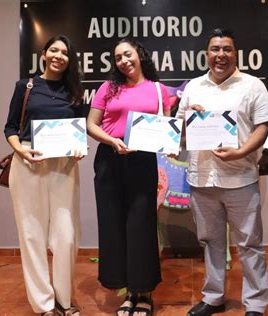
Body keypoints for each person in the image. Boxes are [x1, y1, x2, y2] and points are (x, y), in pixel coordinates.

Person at [175, 29, 268, 316]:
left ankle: (255, 304)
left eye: (227, 49)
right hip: (201, 178)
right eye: (215, 49)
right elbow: (178, 131)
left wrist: (243, 151)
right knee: (211, 242)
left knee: (249, 244)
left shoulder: (253, 85)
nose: (221, 55)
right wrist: (189, 118)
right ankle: (213, 297)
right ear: (207, 53)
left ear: (235, 53)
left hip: (240, 178)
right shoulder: (193, 86)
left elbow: (264, 127)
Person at [87, 38, 171, 316]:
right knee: (113, 225)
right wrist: (112, 141)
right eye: (118, 57)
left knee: (141, 225)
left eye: (127, 54)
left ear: (140, 55)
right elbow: (91, 124)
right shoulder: (107, 88)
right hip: (111, 159)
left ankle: (143, 292)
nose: (123, 61)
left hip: (142, 160)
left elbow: (168, 128)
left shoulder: (159, 90)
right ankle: (125, 292)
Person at [4, 34, 85, 315]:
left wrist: (79, 149)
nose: (59, 56)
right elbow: (11, 127)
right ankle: (44, 304)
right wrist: (20, 151)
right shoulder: (25, 86)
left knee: (66, 235)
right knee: (31, 235)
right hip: (28, 162)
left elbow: (81, 131)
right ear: (43, 53)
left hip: (64, 165)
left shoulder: (74, 91)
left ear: (69, 60)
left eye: (64, 52)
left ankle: (65, 299)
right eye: (54, 50)